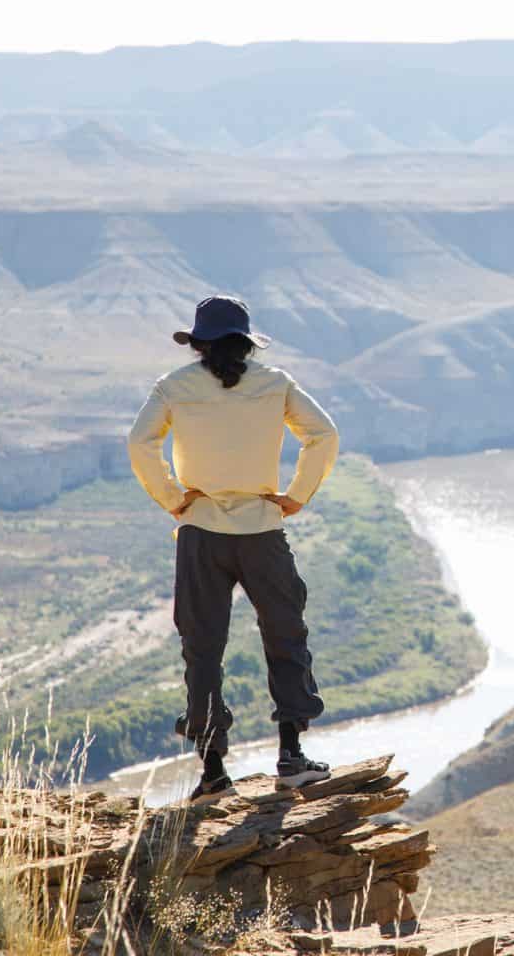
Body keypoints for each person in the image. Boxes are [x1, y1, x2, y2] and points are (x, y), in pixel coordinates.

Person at [127, 295, 339, 801]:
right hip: (263, 531)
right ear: (246, 342)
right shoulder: (275, 383)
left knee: (203, 650)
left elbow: (140, 443)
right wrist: (296, 497)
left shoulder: (174, 387)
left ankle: (213, 772)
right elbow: (324, 435)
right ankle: (291, 756)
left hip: (200, 534)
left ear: (197, 344)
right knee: (285, 637)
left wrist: (174, 499)